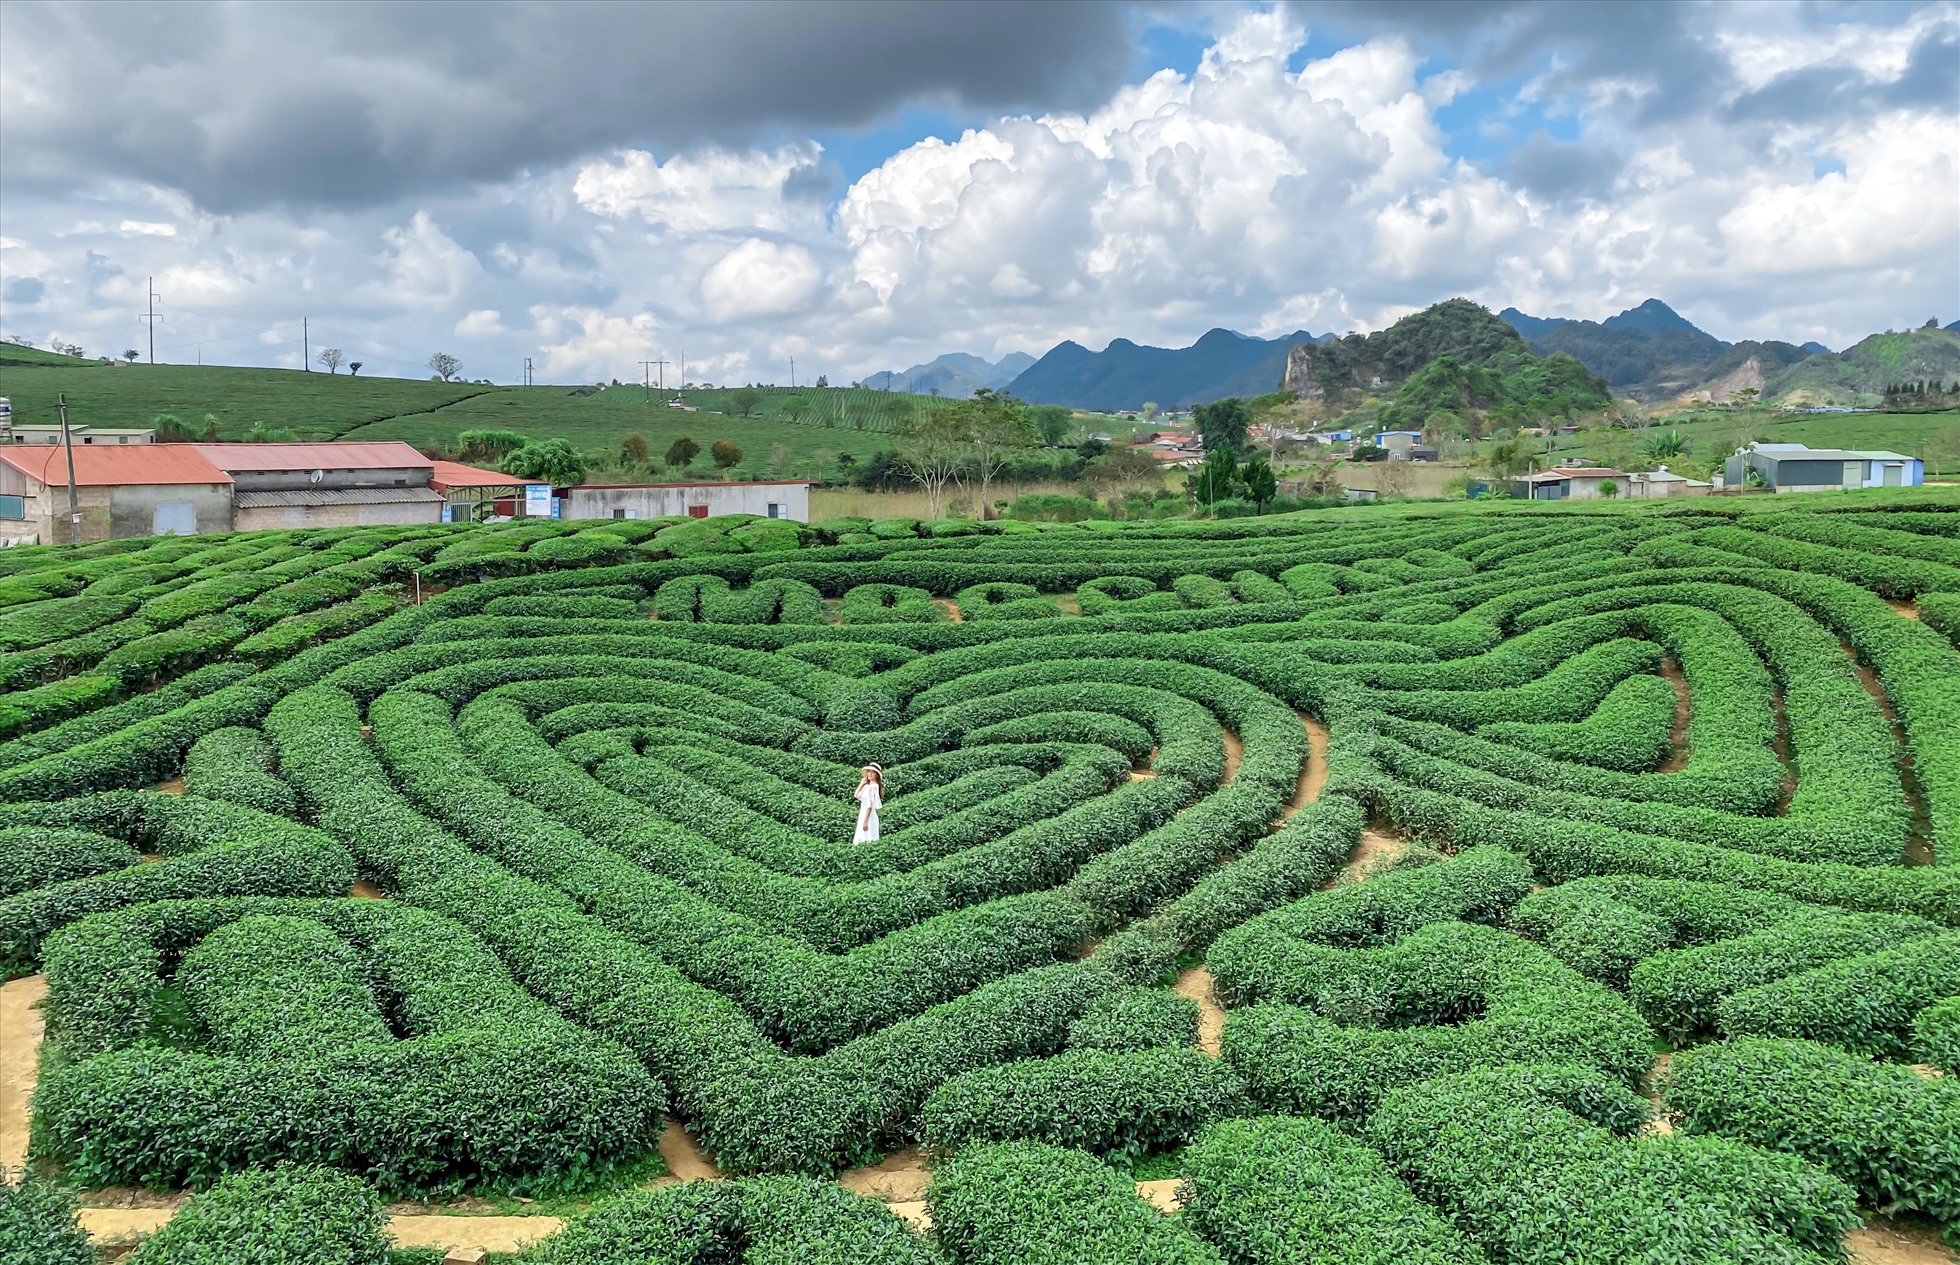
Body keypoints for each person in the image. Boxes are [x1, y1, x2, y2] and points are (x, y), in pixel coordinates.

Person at [853, 763, 883, 844]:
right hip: (863, 814)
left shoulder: (873, 787)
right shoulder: (868, 786)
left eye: (872, 772)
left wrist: (865, 821)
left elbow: (869, 806)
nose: (870, 774)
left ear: (876, 775)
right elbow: (856, 795)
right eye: (869, 772)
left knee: (866, 838)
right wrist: (861, 783)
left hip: (868, 816)